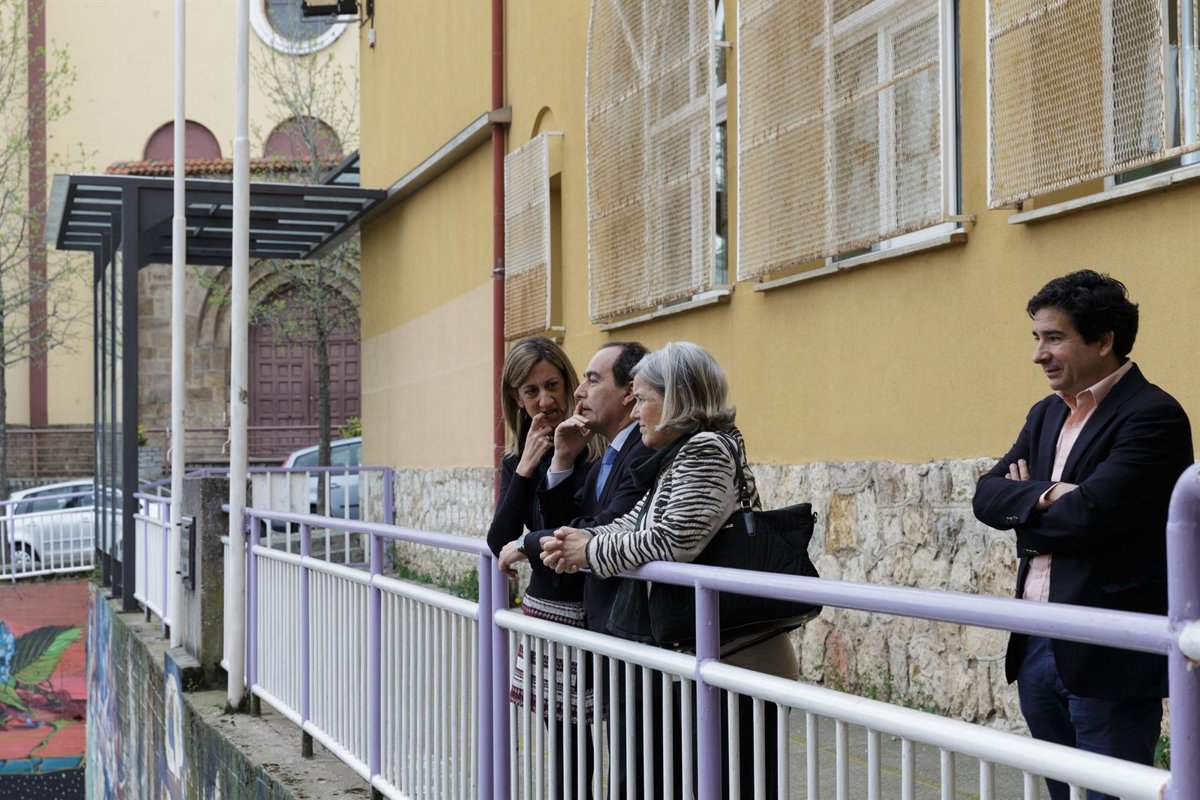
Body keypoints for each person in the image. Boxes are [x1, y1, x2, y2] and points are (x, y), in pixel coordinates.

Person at [542, 341, 797, 799]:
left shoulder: (705, 450)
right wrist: (572, 543)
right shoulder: (677, 454)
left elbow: (673, 541)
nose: (635, 411)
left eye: (643, 399)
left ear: (676, 398)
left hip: (738, 661)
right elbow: (634, 522)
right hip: (708, 659)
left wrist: (589, 550)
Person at [973, 270, 1192, 800]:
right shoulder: (1045, 414)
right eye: (1036, 338)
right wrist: (1051, 495)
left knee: (1108, 793)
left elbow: (1092, 515)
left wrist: (1026, 503)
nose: (1039, 355)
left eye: (1054, 338)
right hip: (1035, 642)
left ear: (1103, 340)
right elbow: (986, 496)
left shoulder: (1153, 415)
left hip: (1105, 653)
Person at [485, 336, 598, 796]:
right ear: (517, 398)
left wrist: (527, 544)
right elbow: (498, 540)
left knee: (623, 735)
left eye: (552, 386)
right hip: (551, 613)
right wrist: (526, 468)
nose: (545, 401)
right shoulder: (519, 458)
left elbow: (569, 531)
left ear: (569, 384)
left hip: (594, 607)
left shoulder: (594, 449)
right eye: (531, 391)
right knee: (568, 741)